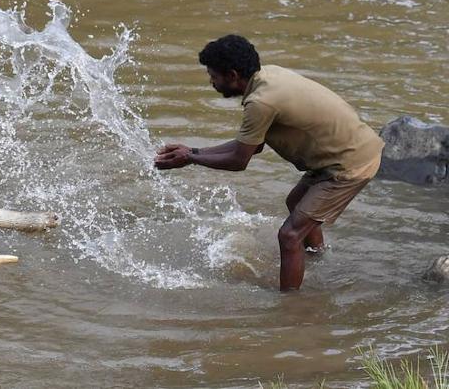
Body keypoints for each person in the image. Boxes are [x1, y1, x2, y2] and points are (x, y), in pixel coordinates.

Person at [154, 34, 384, 291]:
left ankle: (289, 307)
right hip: (347, 151)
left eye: (213, 76)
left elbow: (239, 160)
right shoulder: (268, 76)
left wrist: (190, 159)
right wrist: (193, 151)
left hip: (350, 163)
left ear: (232, 75)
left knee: (289, 235)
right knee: (295, 204)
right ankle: (318, 257)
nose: (211, 82)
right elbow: (252, 146)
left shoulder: (260, 103)